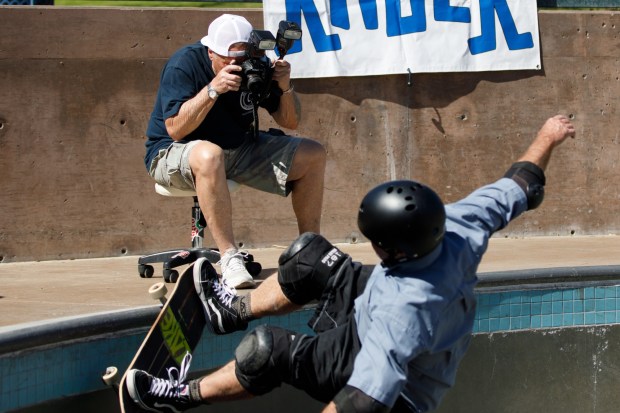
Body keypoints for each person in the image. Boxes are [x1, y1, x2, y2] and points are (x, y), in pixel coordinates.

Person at [128, 115, 576, 412]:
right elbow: (524, 182)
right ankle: (233, 310)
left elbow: (362, 402)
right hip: (382, 302)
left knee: (270, 352)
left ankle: (177, 397)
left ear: (391, 249)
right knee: (311, 257)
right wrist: (549, 133)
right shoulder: (459, 222)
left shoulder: (403, 314)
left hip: (398, 388)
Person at [144, 13, 326, 288]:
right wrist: (213, 90)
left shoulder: (255, 64)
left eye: (242, 59)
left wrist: (284, 86)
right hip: (173, 153)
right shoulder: (185, 64)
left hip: (238, 148)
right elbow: (175, 128)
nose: (237, 67)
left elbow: (290, 121)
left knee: (312, 154)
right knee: (210, 154)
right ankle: (229, 258)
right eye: (229, 60)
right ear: (211, 52)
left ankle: (310, 254)